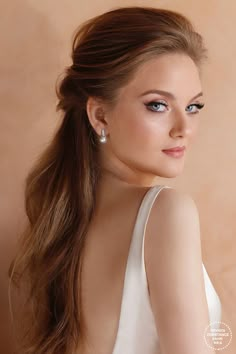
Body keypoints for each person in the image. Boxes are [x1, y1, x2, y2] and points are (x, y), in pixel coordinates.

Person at [8, 5, 222, 354]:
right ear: (99, 114)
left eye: (194, 107)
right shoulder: (166, 212)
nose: (184, 128)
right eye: (158, 105)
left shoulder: (60, 224)